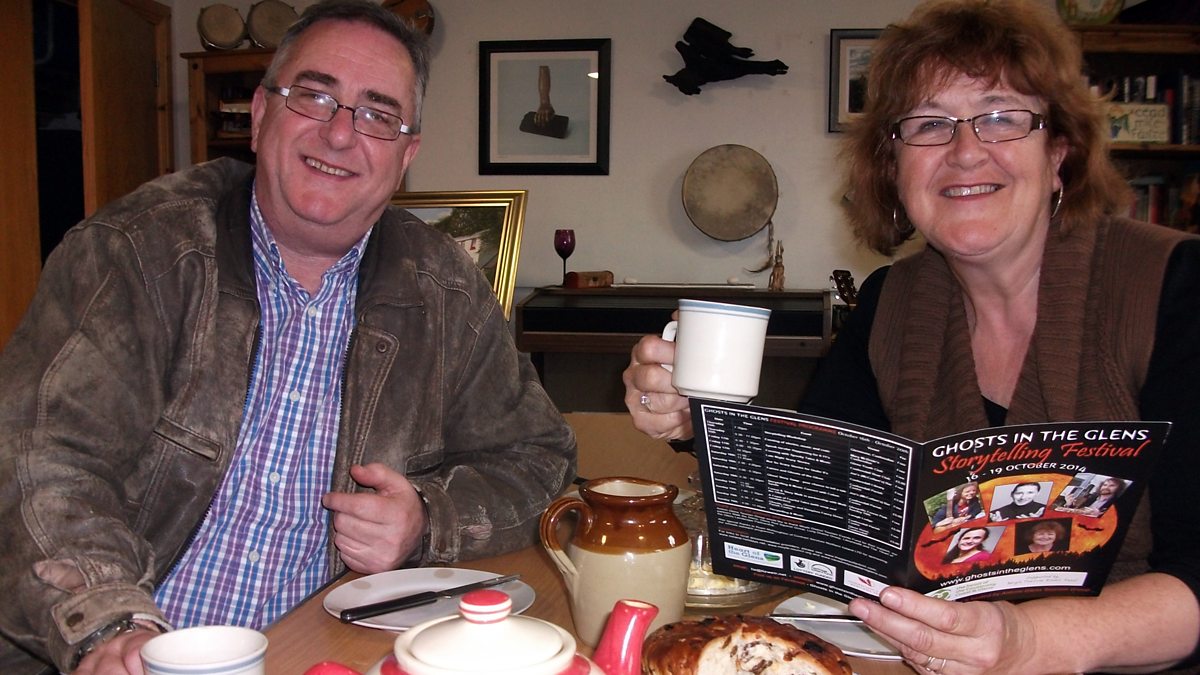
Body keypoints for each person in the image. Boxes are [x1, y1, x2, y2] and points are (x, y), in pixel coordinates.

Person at [623, 0, 1200, 671]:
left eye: (1002, 117)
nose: (965, 151)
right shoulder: (890, 303)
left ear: (1059, 153)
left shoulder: (1176, 287)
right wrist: (698, 420)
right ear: (893, 168)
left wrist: (1030, 641)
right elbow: (819, 504)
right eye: (929, 124)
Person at [0, 2, 576, 673]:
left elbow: (538, 460)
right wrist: (110, 624)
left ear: (406, 154)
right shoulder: (139, 249)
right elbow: (40, 458)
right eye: (315, 96)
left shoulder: (445, 289)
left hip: (328, 650)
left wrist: (428, 518)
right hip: (135, 646)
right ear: (259, 114)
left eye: (377, 114)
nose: (340, 134)